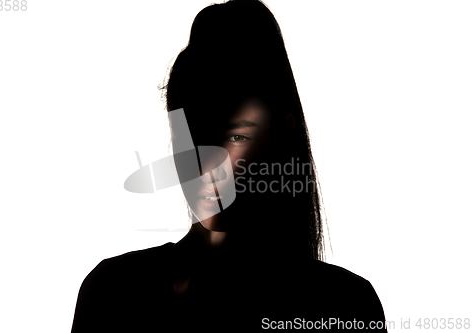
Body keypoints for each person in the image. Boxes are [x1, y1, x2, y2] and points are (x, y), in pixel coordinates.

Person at [71, 0, 387, 331]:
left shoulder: (345, 307)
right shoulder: (114, 294)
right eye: (189, 139)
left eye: (233, 137)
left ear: (283, 133)